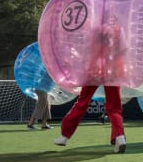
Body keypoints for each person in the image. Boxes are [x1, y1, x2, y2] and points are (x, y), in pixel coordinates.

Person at [54, 15, 127, 153]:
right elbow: (123, 50)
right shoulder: (119, 30)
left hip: (95, 69)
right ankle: (120, 136)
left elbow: (86, 50)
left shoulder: (94, 30)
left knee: (82, 102)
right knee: (114, 107)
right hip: (113, 70)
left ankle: (65, 136)